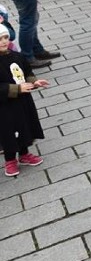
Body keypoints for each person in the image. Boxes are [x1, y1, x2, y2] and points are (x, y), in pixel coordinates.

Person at [0, 24, 48, 178]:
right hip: (5, 106)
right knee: (8, 131)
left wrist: (34, 82)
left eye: (5, 37)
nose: (3, 42)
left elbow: (27, 71)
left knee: (24, 126)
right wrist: (16, 89)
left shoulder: (17, 56)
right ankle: (10, 160)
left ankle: (24, 153)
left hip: (23, 102)